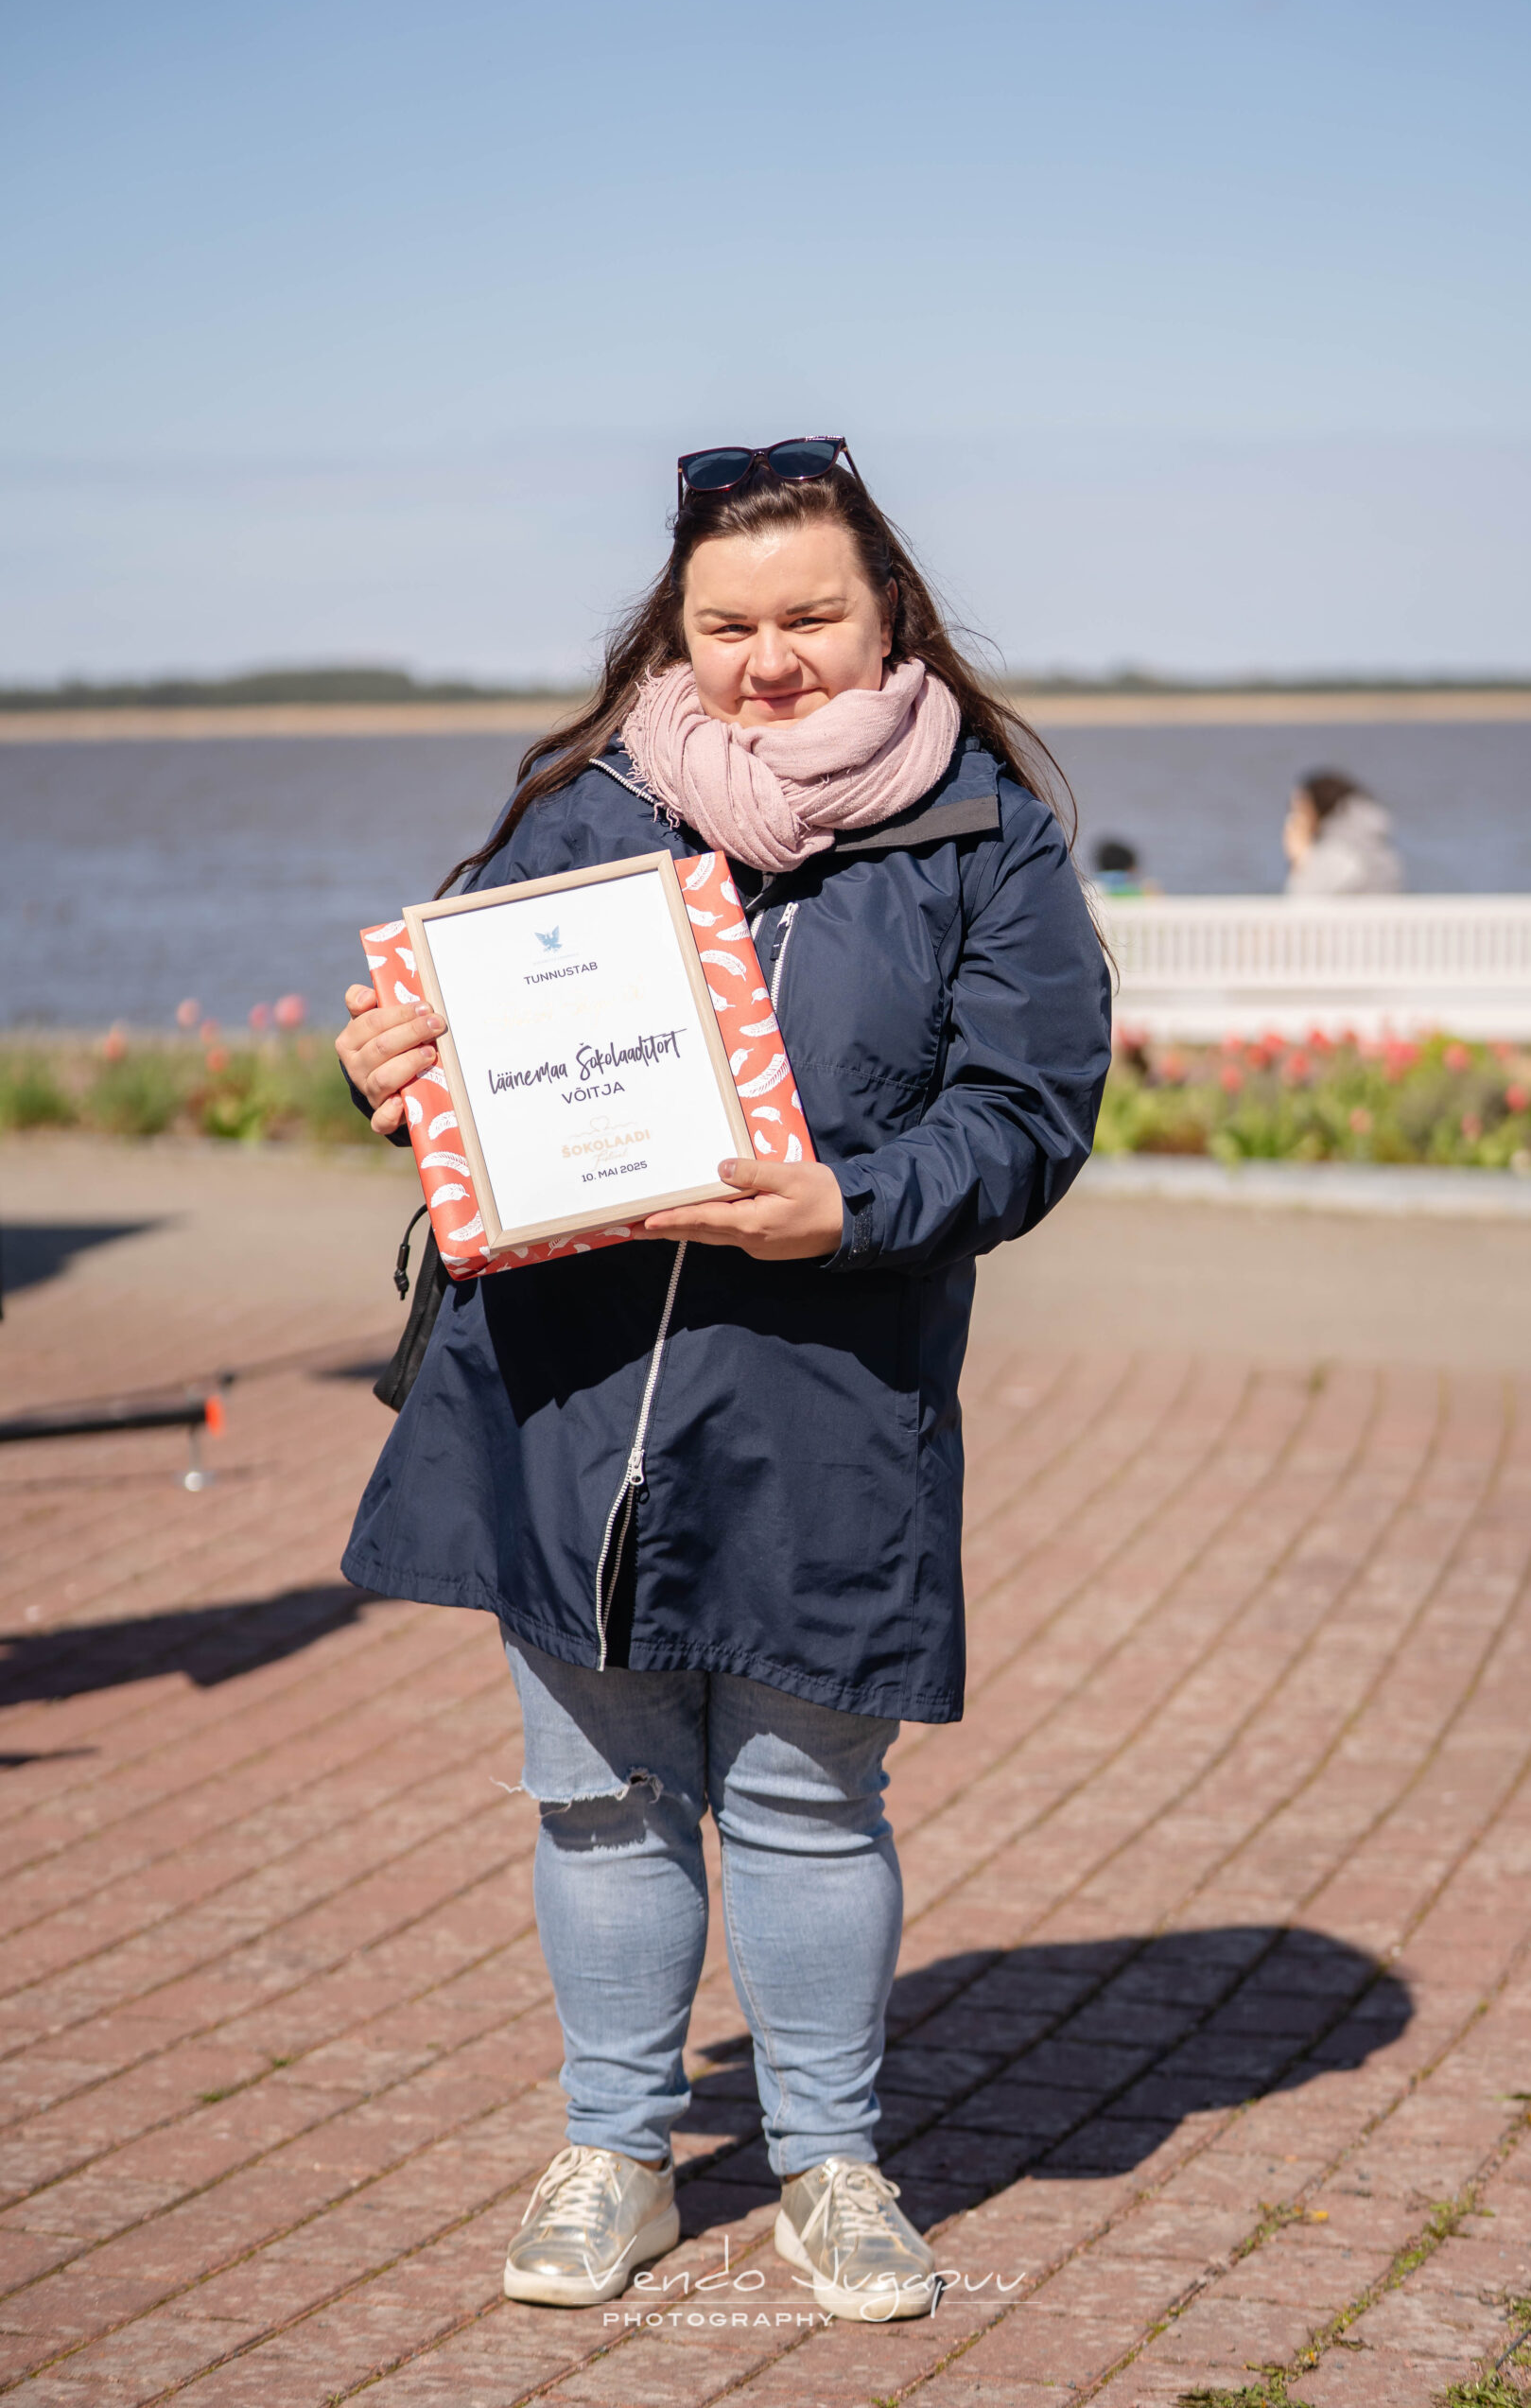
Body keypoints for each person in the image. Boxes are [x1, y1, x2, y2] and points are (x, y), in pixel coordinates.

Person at [335, 438, 1110, 2324]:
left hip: (821, 1398)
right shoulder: (586, 808)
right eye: (726, 625)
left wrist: (846, 1204)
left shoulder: (982, 833)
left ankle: (830, 2164)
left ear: (886, 612)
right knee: (594, 1795)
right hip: (565, 1391)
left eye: (808, 617)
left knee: (805, 1798)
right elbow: (463, 1057)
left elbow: (1026, 1113)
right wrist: (393, 1069)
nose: (768, 660)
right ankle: (616, 2150)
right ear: (673, 633)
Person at [1282, 767, 1403, 896]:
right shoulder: (1373, 845)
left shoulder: (1338, 852)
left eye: (1298, 811)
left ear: (1316, 809)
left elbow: (1301, 901)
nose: (1292, 820)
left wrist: (1300, 859)